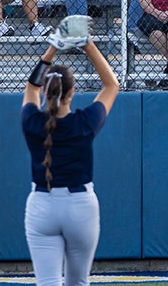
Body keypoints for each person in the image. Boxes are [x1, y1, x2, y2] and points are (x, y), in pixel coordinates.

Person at [22, 28, 120, 286]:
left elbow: (31, 86)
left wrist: (52, 48)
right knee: (78, 282)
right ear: (72, 92)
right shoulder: (84, 123)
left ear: (46, 92)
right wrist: (88, 45)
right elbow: (111, 85)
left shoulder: (32, 122)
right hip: (80, 206)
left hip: (42, 204)